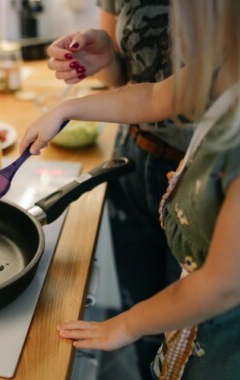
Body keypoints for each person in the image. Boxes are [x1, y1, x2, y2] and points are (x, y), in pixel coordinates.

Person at [20, 0, 240, 378]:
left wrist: (128, 324)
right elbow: (155, 97)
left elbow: (224, 286)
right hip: (204, 314)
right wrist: (65, 110)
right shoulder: (238, 64)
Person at [44, 2, 186, 377]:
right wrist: (105, 55)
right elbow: (145, 89)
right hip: (134, 160)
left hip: (203, 173)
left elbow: (220, 287)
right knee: (141, 308)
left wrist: (127, 323)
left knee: (187, 328)